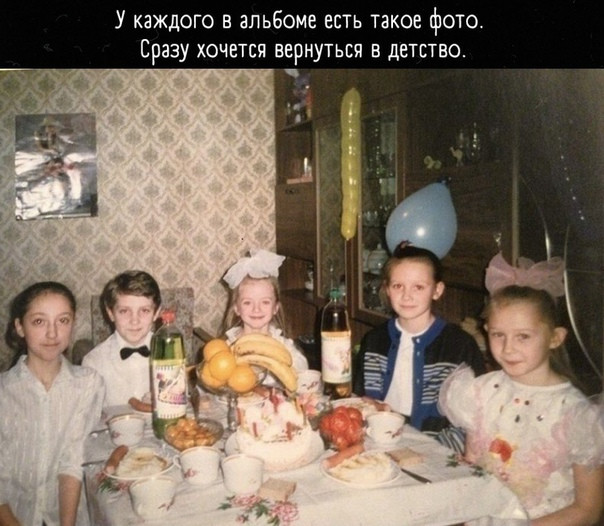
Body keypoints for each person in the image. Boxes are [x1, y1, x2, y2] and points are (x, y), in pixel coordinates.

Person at [439, 254, 604, 525]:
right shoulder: (479, 391)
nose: (508, 348)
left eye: (523, 336)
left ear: (555, 338)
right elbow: (472, 468)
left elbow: (588, 510)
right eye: (498, 335)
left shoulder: (578, 416)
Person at [353, 243, 487, 453]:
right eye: (398, 286)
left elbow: (477, 417)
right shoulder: (374, 340)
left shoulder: (460, 345)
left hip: (438, 447)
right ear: (387, 289)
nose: (407, 296)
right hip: (378, 440)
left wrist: (440, 451)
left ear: (437, 290)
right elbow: (362, 399)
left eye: (418, 287)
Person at [0, 281, 105, 526]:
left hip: (68, 517)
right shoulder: (4, 392)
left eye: (63, 320)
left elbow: (73, 461)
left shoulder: (88, 384)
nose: (52, 333)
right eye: (39, 321)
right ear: (20, 327)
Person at [221, 249, 309, 381]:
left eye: (265, 302)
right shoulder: (229, 346)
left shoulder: (282, 345)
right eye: (247, 302)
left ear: (276, 308)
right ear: (237, 309)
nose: (256, 309)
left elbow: (303, 370)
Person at [83, 270, 161, 407]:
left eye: (144, 311)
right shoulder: (94, 363)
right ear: (110, 313)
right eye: (124, 311)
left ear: (156, 313)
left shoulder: (170, 354)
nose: (134, 321)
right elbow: (88, 413)